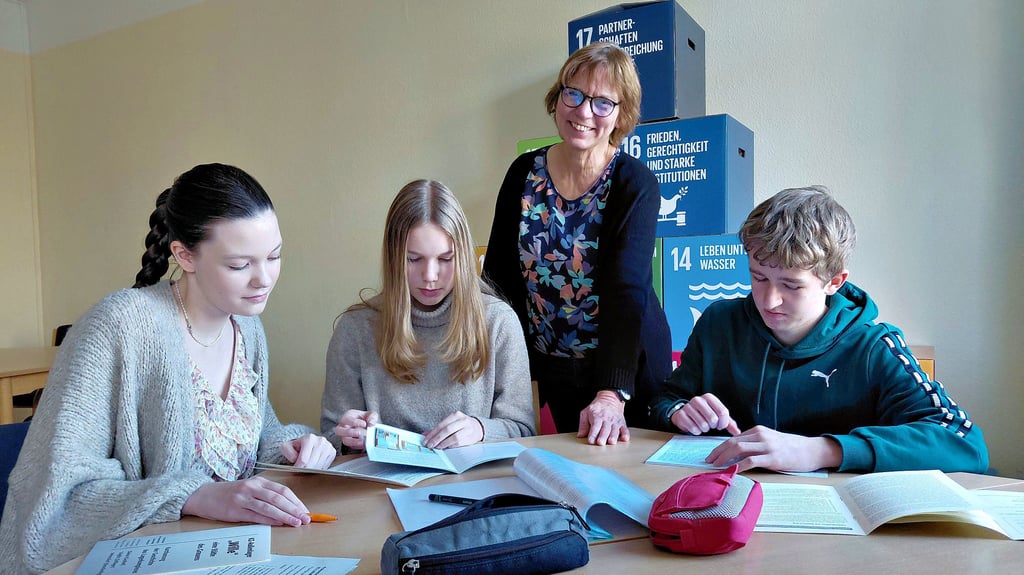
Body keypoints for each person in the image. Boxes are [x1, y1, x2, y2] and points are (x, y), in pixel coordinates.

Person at [0, 163, 337, 575]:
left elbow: (251, 438)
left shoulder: (246, 325)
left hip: (222, 554)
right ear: (184, 255)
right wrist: (196, 496)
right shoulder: (119, 326)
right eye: (239, 265)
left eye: (274, 255)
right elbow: (61, 496)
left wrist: (296, 445)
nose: (263, 279)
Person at [650, 186, 989, 473]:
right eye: (758, 277)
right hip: (728, 502)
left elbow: (964, 444)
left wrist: (820, 451)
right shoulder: (718, 323)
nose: (770, 300)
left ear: (834, 282)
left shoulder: (874, 347)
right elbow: (664, 399)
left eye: (791, 286)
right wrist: (678, 411)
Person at [483, 42, 671, 446]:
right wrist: (500, 375)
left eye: (603, 102)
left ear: (621, 114)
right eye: (574, 94)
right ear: (558, 97)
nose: (584, 112)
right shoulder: (523, 173)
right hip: (554, 365)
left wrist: (610, 393)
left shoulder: (634, 183)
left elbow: (627, 291)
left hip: (627, 371)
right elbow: (497, 280)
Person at [321, 179, 535, 452]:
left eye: (446, 259)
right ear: (393, 257)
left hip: (471, 486)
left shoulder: (498, 322)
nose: (431, 276)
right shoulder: (355, 329)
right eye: (413, 259)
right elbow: (330, 435)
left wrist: (481, 430)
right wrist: (349, 437)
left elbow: (524, 430)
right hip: (381, 488)